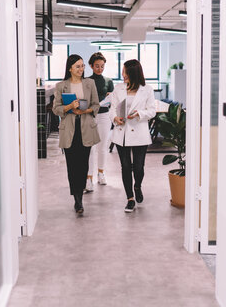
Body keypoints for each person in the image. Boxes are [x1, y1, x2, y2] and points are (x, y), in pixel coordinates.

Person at [52, 54, 100, 214]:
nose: (81, 69)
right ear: (70, 68)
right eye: (78, 66)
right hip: (69, 130)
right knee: (72, 165)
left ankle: (80, 193)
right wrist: (69, 107)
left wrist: (86, 110)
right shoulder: (61, 86)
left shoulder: (90, 83)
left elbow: (96, 105)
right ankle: (77, 199)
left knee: (83, 164)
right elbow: (56, 109)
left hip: (86, 127)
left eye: (82, 66)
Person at [109, 59, 156, 213]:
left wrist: (139, 114)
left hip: (139, 133)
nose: (123, 75)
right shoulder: (118, 89)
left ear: (133, 73)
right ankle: (130, 198)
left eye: (125, 72)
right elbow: (113, 108)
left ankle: (137, 186)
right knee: (125, 167)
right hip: (121, 133)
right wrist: (115, 118)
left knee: (138, 167)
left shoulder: (147, 90)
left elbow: (152, 111)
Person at [86, 52, 115, 192]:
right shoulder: (86, 81)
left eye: (102, 66)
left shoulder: (109, 81)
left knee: (102, 147)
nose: (100, 69)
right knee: (90, 148)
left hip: (104, 116)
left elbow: (114, 99)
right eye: (97, 66)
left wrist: (110, 96)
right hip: (90, 116)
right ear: (91, 66)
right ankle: (89, 178)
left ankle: (101, 173)